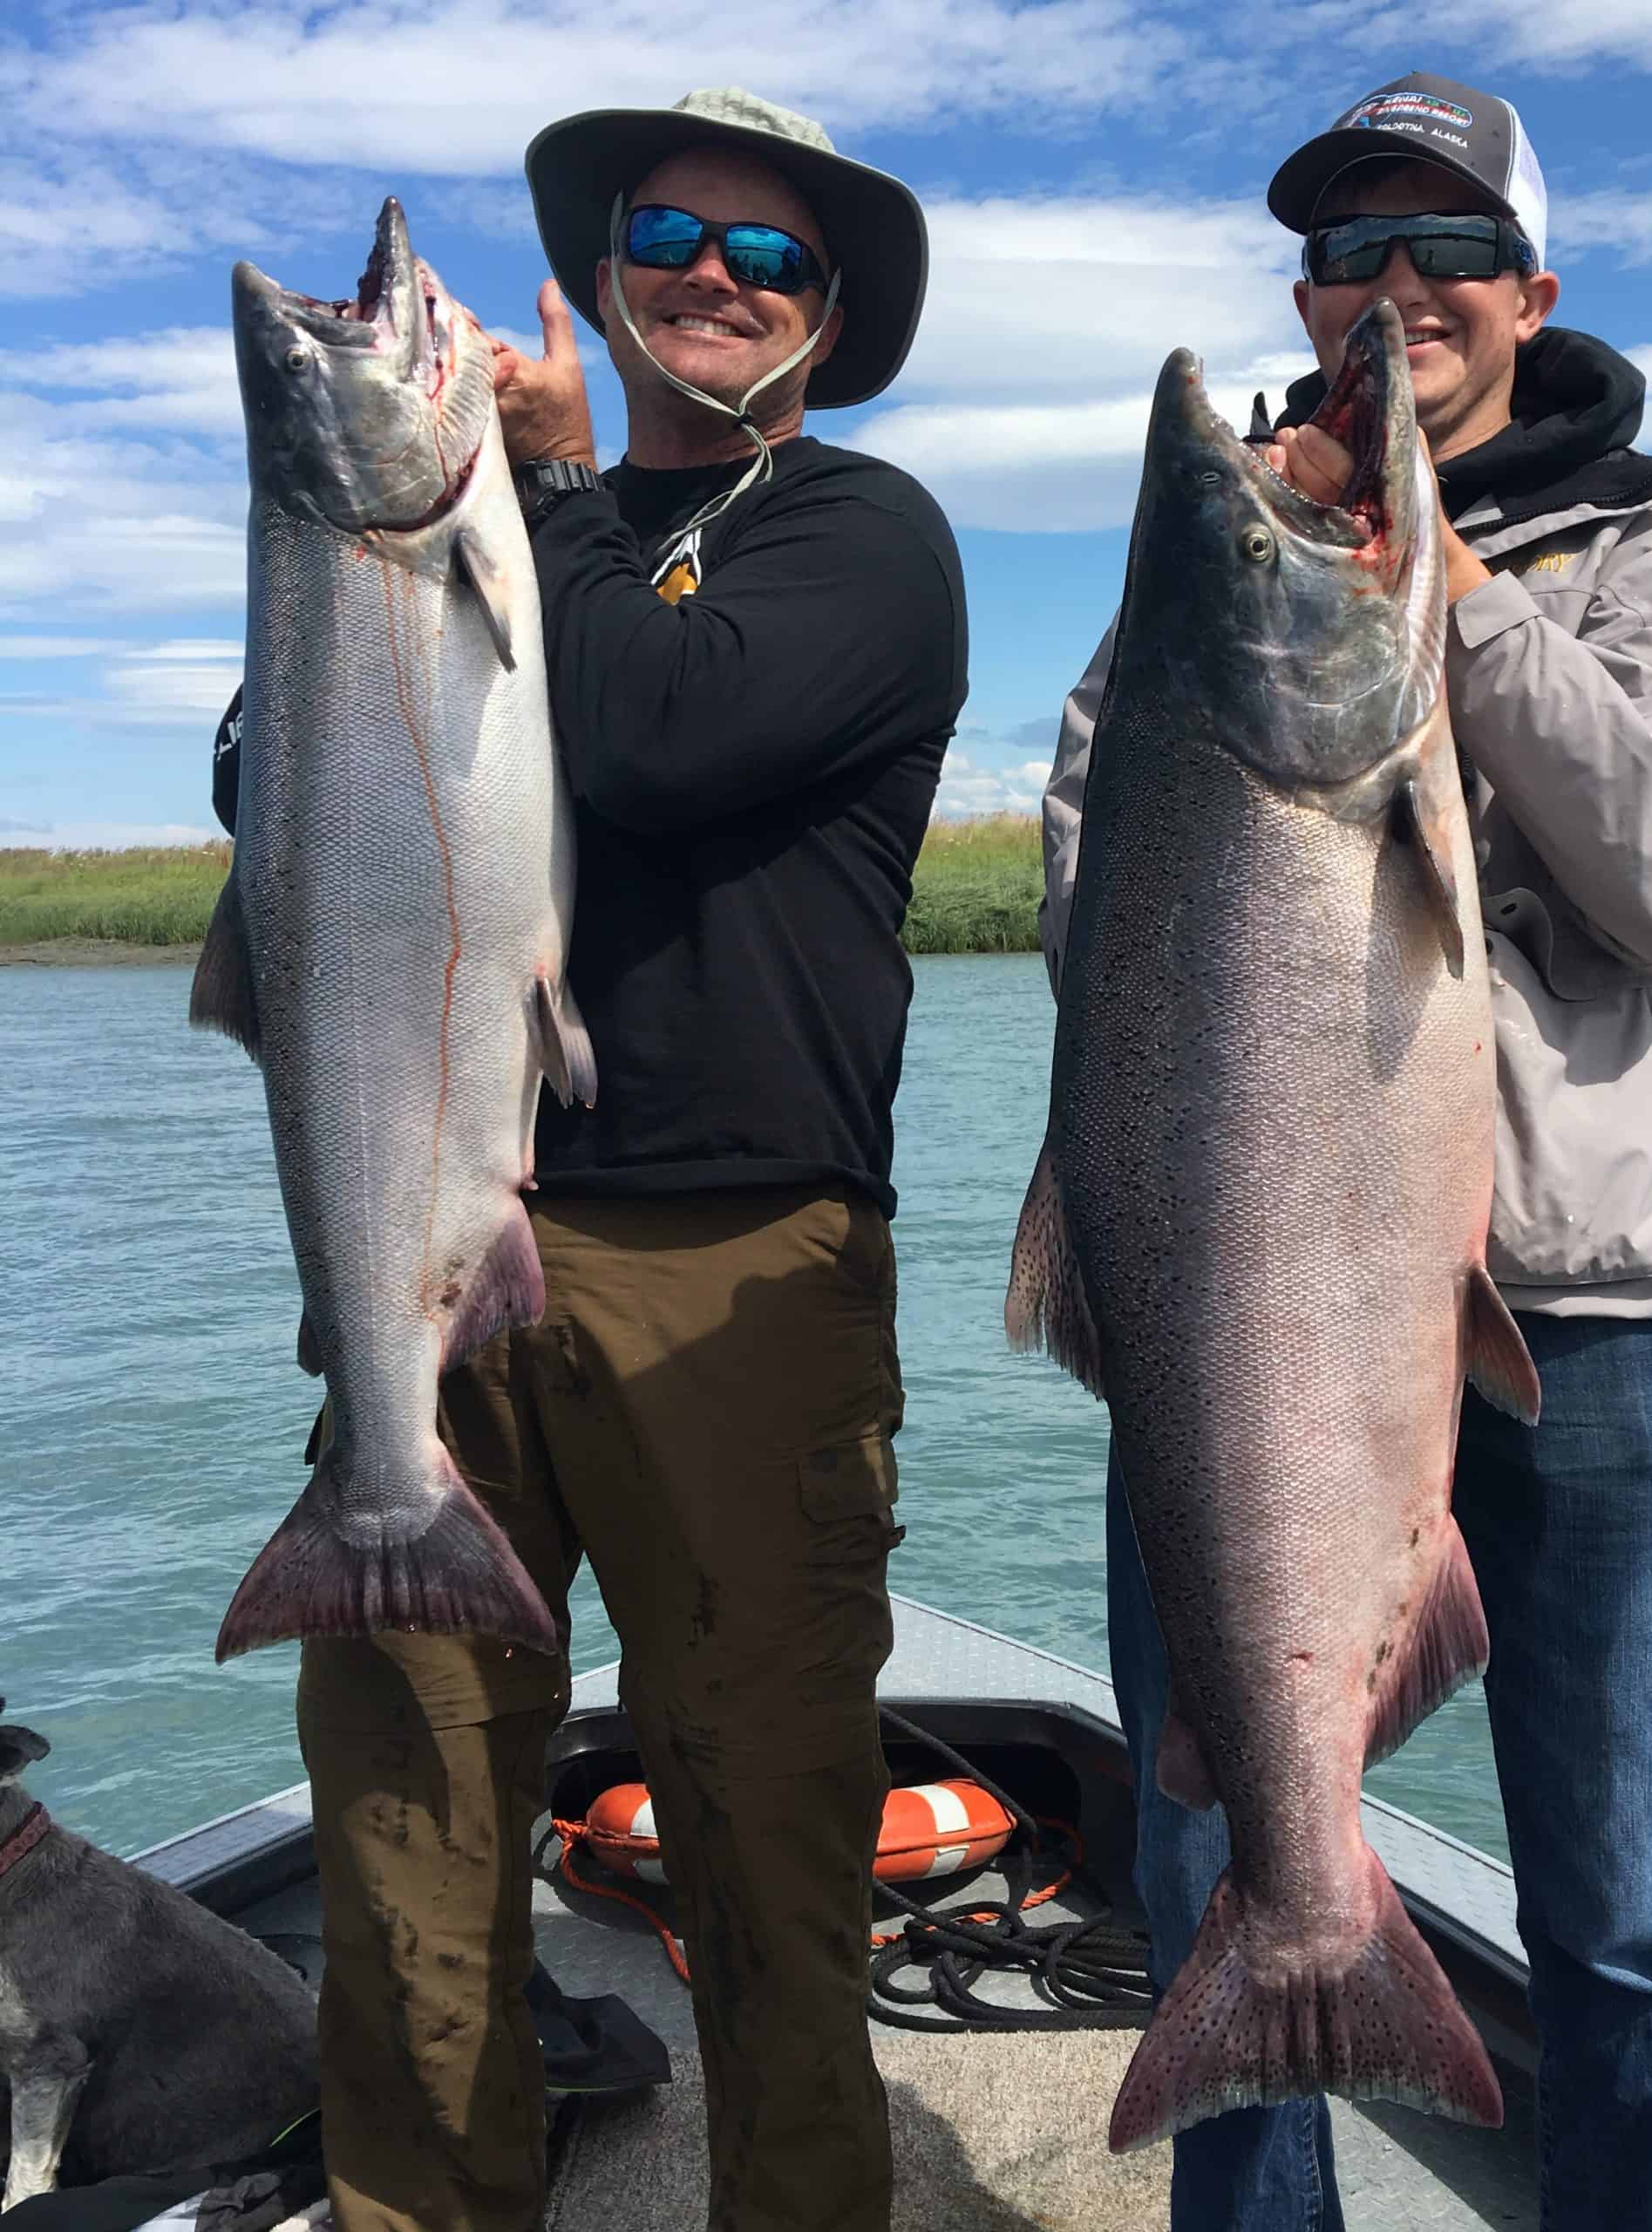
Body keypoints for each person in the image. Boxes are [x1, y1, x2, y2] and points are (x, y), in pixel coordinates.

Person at [211, 86, 967, 2232]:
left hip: (741, 1269)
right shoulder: (454, 543)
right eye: (670, 232)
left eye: (771, 257)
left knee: (764, 1832)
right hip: (428, 1236)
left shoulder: (864, 537)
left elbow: (651, 724)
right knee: (411, 1842)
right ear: (608, 269)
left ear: (829, 316)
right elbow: (274, 799)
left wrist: (532, 484)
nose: (713, 276)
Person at [1037, 69, 1652, 2232]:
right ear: (1307, 291)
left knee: (1620, 1905)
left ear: (1525, 291)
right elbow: (1099, 915)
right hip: (1242, 1329)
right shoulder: (1202, 587)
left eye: (1441, 250)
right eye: (1351, 252)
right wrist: (1270, 574)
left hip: (1598, 1338)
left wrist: (1451, 598)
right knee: (1225, 1858)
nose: (1395, 290)